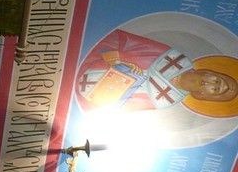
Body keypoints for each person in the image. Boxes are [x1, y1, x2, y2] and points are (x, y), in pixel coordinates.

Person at [75, 28, 238, 117]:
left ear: (204, 95)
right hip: (81, 57)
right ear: (210, 72)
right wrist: (116, 60)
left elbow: (111, 107)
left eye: (215, 89)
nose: (209, 83)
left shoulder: (164, 101)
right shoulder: (170, 57)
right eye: (217, 80)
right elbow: (117, 39)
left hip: (78, 94)